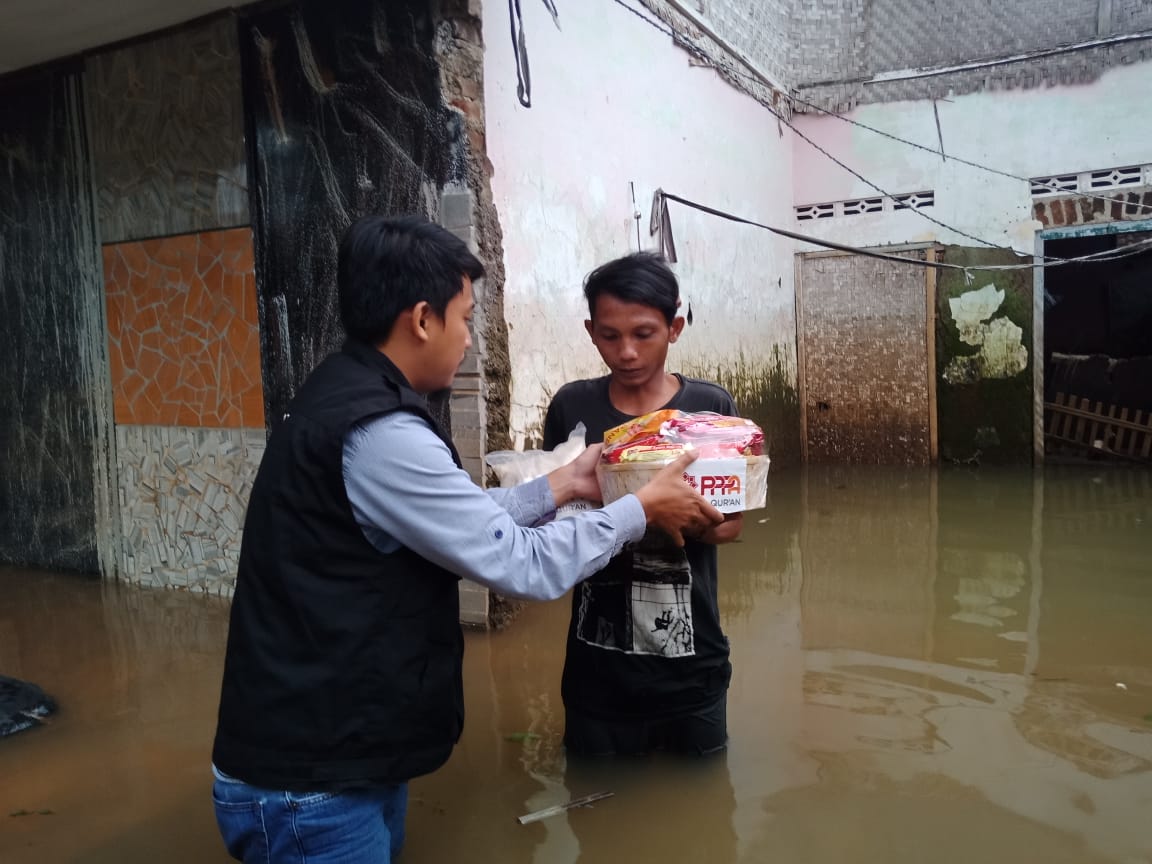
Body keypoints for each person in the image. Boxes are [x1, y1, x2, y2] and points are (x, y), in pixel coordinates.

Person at [210, 217, 722, 864]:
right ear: (423, 319)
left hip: (335, 754)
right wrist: (639, 511)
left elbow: (464, 517)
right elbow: (518, 562)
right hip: (310, 785)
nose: (470, 338)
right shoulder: (381, 431)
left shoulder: (347, 392)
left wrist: (562, 485)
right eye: (466, 317)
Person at [542, 251, 743, 759]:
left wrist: (675, 518)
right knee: (595, 812)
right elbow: (553, 523)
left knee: (703, 820)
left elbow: (730, 527)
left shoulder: (711, 409)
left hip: (692, 668)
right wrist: (644, 510)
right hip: (596, 668)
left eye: (643, 334)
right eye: (610, 336)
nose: (626, 352)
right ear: (591, 331)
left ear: (675, 327)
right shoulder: (572, 407)